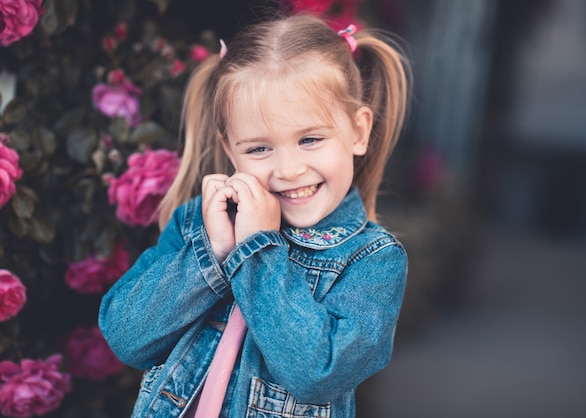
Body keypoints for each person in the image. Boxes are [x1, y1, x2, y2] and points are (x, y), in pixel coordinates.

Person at [99, 12, 411, 418]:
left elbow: (317, 374)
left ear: (358, 131)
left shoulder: (373, 261)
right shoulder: (199, 225)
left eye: (310, 139)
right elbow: (127, 337)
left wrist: (256, 250)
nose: (288, 170)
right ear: (230, 150)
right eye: (259, 149)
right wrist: (211, 253)